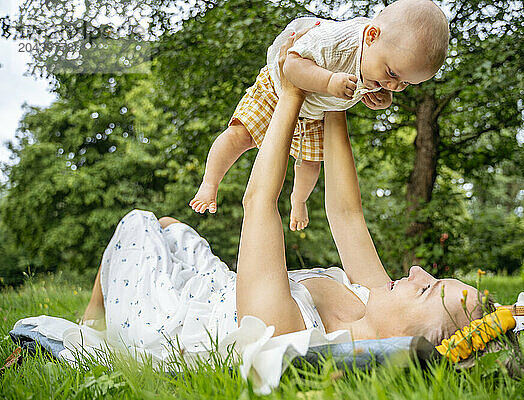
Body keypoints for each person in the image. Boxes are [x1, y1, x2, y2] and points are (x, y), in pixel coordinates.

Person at [81, 27, 479, 354]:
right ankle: (94, 314)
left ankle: (90, 323)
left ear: (408, 341)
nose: (415, 271)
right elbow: (346, 214)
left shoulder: (286, 333)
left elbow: (258, 203)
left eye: (426, 289)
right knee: (170, 226)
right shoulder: (374, 297)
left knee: (141, 224)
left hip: (176, 317)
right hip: (217, 290)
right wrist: (337, 95)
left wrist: (290, 94)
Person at [189, 0, 450, 232]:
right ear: (371, 36)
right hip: (277, 88)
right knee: (240, 135)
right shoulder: (334, 40)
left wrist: (380, 99)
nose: (393, 85)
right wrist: (328, 82)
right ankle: (209, 183)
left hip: (313, 111)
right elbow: (291, 64)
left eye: (404, 84)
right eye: (393, 75)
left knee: (312, 163)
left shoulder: (382, 60)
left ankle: (298, 200)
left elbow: (375, 88)